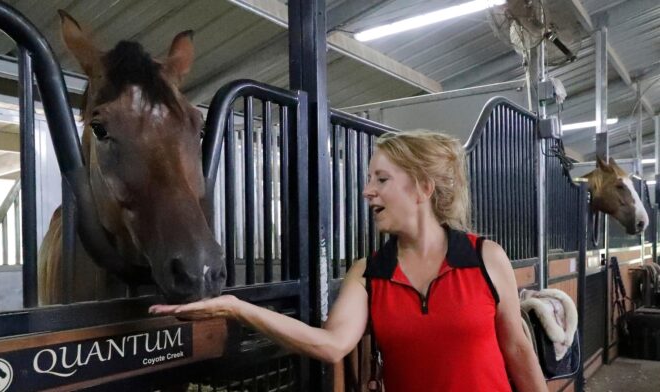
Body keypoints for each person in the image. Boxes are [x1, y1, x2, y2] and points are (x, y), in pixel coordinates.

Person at [150, 130, 548, 391]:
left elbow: (517, 350)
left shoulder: (484, 258)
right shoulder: (370, 273)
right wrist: (235, 308)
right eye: (369, 179)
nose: (367, 191)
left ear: (422, 188)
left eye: (381, 179)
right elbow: (331, 345)